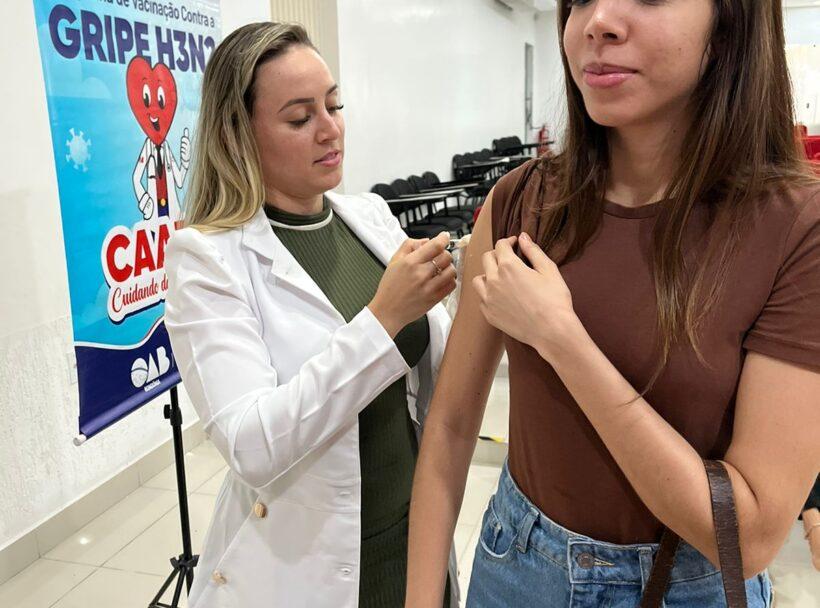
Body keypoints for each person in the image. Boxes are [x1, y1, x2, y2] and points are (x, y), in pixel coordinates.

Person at [406, 1, 820, 607]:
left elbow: (748, 536)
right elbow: (449, 428)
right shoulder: (521, 200)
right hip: (516, 567)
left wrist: (560, 338)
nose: (598, 20)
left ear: (731, 19)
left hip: (689, 587)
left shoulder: (794, 228)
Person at [164, 22, 459, 608]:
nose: (330, 129)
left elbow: (431, 372)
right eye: (300, 118)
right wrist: (382, 318)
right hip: (311, 566)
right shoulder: (206, 258)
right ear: (239, 134)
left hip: (414, 534)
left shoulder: (369, 218)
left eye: (334, 105)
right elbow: (252, 444)